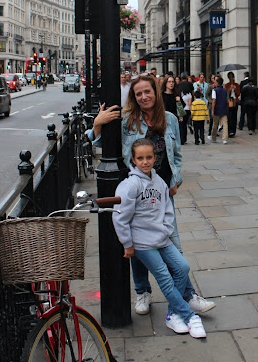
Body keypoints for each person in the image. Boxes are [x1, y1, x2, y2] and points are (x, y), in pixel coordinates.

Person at [87, 74, 215, 317]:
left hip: (164, 193)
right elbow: (100, 143)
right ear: (134, 98)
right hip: (138, 194)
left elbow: (175, 155)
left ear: (155, 93)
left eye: (148, 92)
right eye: (138, 94)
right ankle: (142, 291)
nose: (144, 97)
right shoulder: (127, 121)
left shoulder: (169, 119)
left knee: (172, 244)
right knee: (138, 246)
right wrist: (98, 123)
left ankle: (188, 296)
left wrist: (175, 180)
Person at [113, 139, 206, 338]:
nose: (145, 162)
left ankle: (173, 314)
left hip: (162, 238)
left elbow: (167, 208)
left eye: (149, 157)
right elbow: (120, 216)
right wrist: (128, 244)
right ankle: (189, 316)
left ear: (155, 158)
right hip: (142, 243)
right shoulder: (130, 185)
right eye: (140, 158)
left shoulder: (159, 181)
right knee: (164, 277)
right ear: (133, 160)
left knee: (182, 268)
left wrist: (165, 229)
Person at [211, 76, 229, 144]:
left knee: (215, 124)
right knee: (225, 123)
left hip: (217, 109)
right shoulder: (225, 90)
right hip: (224, 108)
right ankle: (225, 138)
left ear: (217, 83)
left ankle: (214, 137)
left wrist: (212, 110)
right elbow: (227, 100)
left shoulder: (214, 90)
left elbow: (214, 101)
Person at [224, 72, 240, 137]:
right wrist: (230, 89)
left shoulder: (237, 85)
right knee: (229, 117)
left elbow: (238, 94)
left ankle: (233, 131)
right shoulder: (227, 85)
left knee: (234, 117)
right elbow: (226, 94)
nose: (231, 78)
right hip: (229, 102)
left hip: (235, 101)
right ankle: (229, 130)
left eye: (232, 77)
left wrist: (235, 89)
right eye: (230, 77)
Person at [206, 74, 216, 140]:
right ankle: (210, 132)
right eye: (213, 78)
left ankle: (214, 132)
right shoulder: (210, 86)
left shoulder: (218, 87)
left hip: (217, 104)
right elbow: (207, 94)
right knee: (212, 119)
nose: (214, 79)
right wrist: (210, 101)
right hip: (211, 105)